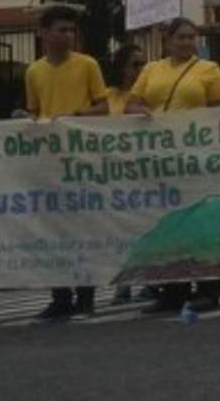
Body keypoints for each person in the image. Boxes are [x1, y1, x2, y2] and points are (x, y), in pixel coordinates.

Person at [126, 17, 220, 314]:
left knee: (202, 224)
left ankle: (208, 290)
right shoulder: (151, 69)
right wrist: (141, 110)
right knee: (169, 226)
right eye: (181, 37)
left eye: (192, 37)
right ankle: (173, 290)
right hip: (162, 161)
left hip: (197, 158)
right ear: (168, 40)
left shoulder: (208, 70)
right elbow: (131, 103)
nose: (187, 42)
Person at [26, 4, 108, 321]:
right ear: (44, 33)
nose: (68, 36)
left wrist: (74, 117)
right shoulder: (34, 72)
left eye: (72, 30)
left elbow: (103, 108)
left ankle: (86, 295)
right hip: (49, 161)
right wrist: (27, 119)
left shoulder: (87, 65)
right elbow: (35, 112)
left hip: (82, 160)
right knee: (53, 231)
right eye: (62, 30)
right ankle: (60, 296)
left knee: (83, 229)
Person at [88, 44, 149, 305]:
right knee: (120, 229)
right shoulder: (109, 97)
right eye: (135, 65)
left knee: (146, 227)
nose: (140, 70)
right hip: (113, 174)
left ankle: (149, 280)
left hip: (144, 172)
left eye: (143, 64)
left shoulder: (145, 96)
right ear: (122, 68)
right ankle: (122, 282)